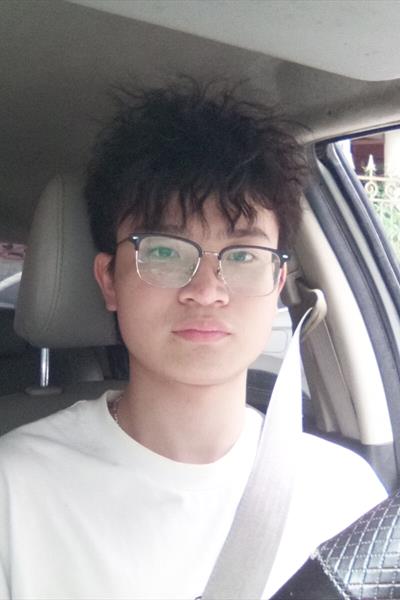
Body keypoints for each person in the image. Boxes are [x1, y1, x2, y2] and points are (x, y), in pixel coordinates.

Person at [0, 79, 387, 600]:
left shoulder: (347, 495)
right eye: (164, 252)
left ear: (277, 283)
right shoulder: (15, 488)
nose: (206, 291)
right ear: (109, 280)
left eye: (244, 256)